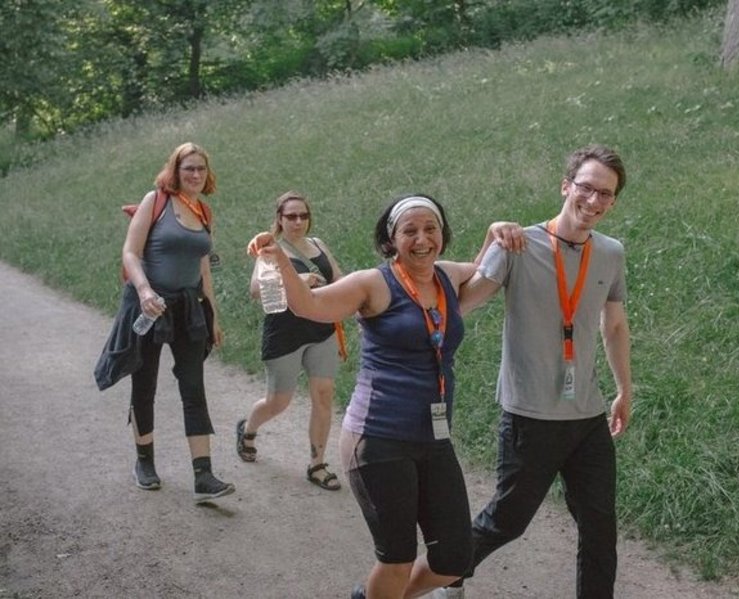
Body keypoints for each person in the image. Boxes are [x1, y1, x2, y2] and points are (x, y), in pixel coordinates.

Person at [246, 194, 522, 599]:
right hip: (378, 438)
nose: (422, 239)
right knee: (396, 559)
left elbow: (483, 269)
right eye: (409, 231)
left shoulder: (447, 275)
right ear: (391, 239)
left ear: (442, 234)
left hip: (433, 438)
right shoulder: (372, 283)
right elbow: (310, 305)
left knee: (454, 557)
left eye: (430, 229)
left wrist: (494, 233)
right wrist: (279, 261)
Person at [432, 144, 633, 598]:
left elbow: (615, 325)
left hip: (587, 416)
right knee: (507, 521)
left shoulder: (610, 252)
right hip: (530, 416)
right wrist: (490, 240)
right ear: (566, 186)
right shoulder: (518, 244)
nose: (594, 201)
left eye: (606, 194)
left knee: (600, 527)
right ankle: (446, 574)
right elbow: (462, 304)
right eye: (586, 188)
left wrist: (624, 389)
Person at [118, 142, 234, 504]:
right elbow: (130, 252)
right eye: (189, 169)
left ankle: (203, 474)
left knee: (193, 386)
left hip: (187, 309)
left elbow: (204, 268)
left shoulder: (203, 210)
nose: (196, 175)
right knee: (145, 383)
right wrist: (144, 291)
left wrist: (212, 315)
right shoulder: (156, 201)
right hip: (150, 307)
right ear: (175, 171)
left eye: (201, 169)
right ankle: (144, 462)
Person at [236, 190, 345, 491]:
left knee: (323, 395)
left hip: (321, 329)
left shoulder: (318, 245)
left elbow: (338, 278)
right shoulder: (271, 250)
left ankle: (317, 464)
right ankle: (248, 429)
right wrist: (298, 282)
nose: (298, 222)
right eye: (291, 216)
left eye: (303, 216)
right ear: (280, 219)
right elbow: (256, 290)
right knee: (278, 402)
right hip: (285, 334)